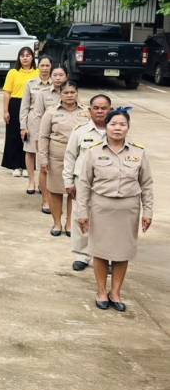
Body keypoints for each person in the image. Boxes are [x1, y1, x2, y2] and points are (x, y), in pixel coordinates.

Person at [77, 110, 154, 312]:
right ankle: (101, 291)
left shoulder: (138, 153)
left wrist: (148, 212)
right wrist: (82, 212)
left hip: (128, 210)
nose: (117, 128)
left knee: (122, 252)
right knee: (100, 251)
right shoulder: (93, 152)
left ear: (128, 128)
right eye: (113, 124)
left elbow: (146, 185)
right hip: (101, 208)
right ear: (106, 126)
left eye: (122, 124)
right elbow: (84, 184)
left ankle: (116, 292)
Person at [63, 93, 112, 271]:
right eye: (96, 108)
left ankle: (106, 257)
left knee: (107, 220)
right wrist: (68, 181)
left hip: (108, 183)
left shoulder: (116, 130)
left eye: (104, 108)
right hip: (82, 182)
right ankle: (82, 255)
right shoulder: (80, 131)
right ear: (90, 110)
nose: (99, 111)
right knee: (81, 216)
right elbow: (70, 156)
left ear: (110, 110)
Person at [38, 81, 90, 236]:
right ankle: (56, 223)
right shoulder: (51, 112)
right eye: (66, 93)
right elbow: (43, 136)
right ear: (60, 94)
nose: (69, 95)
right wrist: (43, 159)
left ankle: (69, 223)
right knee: (55, 191)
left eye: (72, 92)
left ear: (77, 93)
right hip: (57, 157)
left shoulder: (86, 112)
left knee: (75, 191)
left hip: (80, 157)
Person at [30, 65, 68, 214]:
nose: (58, 78)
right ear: (51, 77)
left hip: (63, 138)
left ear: (66, 76)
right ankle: (45, 200)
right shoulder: (43, 93)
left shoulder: (71, 92)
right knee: (45, 169)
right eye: (55, 75)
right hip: (46, 136)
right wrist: (37, 138)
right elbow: (37, 115)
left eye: (61, 75)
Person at [1, 47, 39, 177]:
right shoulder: (13, 73)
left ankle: (27, 166)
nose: (25, 58)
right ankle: (15, 166)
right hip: (15, 104)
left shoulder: (38, 73)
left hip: (32, 105)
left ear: (32, 57)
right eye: (22, 56)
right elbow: (7, 92)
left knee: (29, 136)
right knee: (14, 135)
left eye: (28, 55)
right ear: (19, 58)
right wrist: (5, 111)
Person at [19, 55, 54, 195]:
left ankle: (42, 182)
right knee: (30, 151)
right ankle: (31, 181)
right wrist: (23, 126)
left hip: (51, 122)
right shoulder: (30, 84)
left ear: (51, 67)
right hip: (33, 121)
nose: (45, 68)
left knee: (46, 152)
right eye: (42, 65)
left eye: (47, 65)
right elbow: (24, 107)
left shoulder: (56, 84)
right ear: (38, 66)